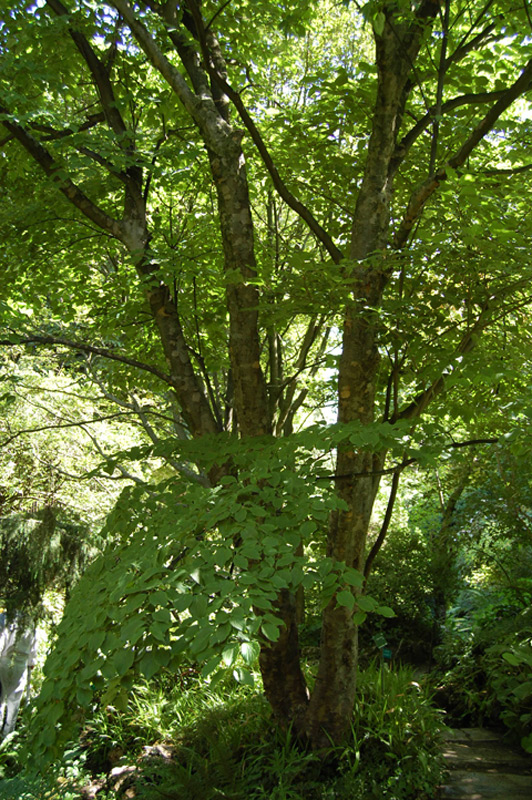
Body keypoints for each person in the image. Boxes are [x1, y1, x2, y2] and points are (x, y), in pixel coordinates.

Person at [0, 612, 37, 738]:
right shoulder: (30, 620)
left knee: (2, 699)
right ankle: (7, 736)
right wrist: (32, 661)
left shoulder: (5, 617)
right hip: (20, 663)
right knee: (13, 701)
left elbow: (1, 639)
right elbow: (33, 645)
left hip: (5, 661)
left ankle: (5, 736)